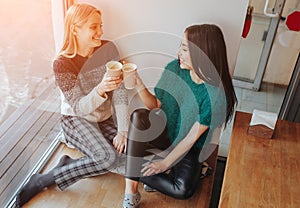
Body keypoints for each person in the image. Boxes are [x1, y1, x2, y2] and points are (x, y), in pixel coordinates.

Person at [16, 3, 129, 207]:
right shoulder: (62, 64)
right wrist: (101, 88)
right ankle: (44, 179)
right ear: (75, 28)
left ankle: (70, 164)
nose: (100, 32)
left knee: (128, 151)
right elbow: (79, 108)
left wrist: (122, 130)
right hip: (76, 120)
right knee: (107, 159)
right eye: (93, 27)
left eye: (100, 26)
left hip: (103, 119)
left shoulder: (108, 48)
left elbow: (120, 93)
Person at [123, 24, 237, 208]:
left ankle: (130, 164)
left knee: (183, 190)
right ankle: (131, 192)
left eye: (185, 48)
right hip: (164, 132)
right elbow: (156, 105)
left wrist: (166, 163)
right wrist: (138, 83)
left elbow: (192, 136)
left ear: (203, 53)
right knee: (139, 116)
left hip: (189, 147)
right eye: (180, 46)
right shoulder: (174, 69)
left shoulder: (215, 94)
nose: (178, 52)